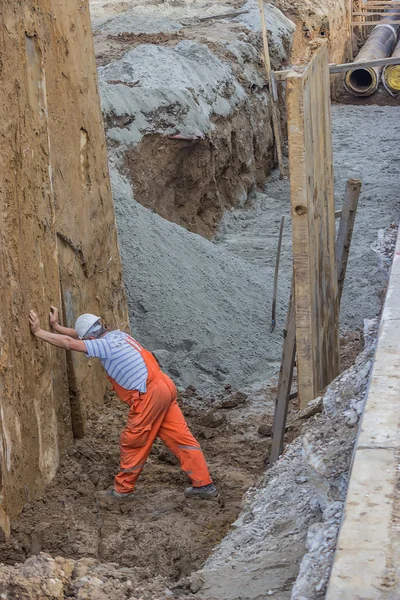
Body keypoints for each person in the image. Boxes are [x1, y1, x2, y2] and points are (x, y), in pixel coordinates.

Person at [29, 307, 217, 500]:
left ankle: (122, 490)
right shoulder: (118, 336)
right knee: (181, 437)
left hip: (149, 394)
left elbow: (70, 343)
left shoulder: (104, 346)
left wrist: (39, 332)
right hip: (165, 386)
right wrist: (56, 326)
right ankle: (204, 484)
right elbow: (79, 336)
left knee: (133, 442)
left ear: (91, 340)